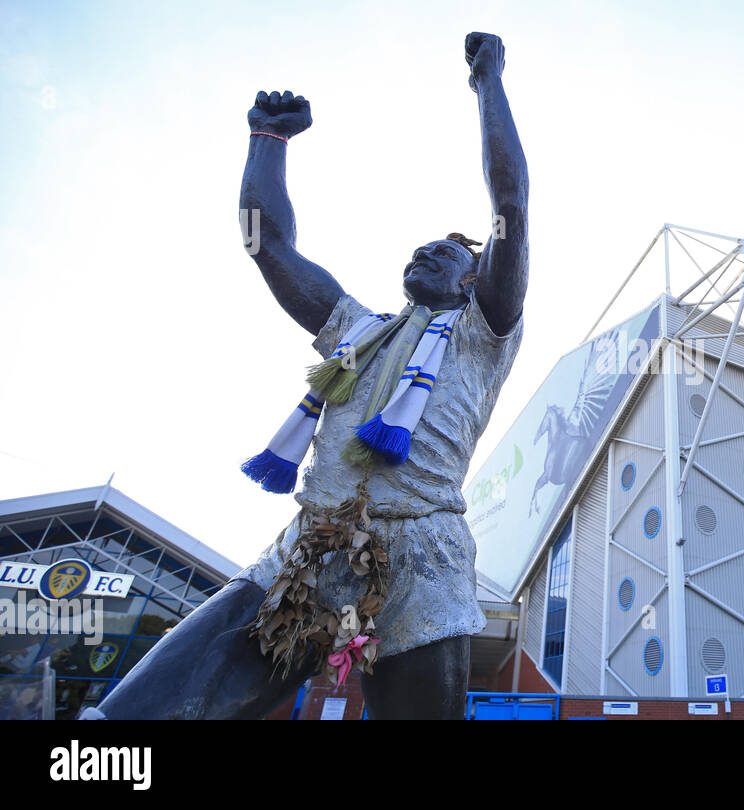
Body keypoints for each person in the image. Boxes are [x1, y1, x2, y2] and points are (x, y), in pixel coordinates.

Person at [89, 32, 527, 720]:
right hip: (310, 549)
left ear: (474, 282)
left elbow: (511, 205)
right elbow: (270, 248)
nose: (425, 251)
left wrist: (487, 85)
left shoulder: (483, 332)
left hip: (423, 562)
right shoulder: (354, 326)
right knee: (134, 720)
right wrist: (267, 140)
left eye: (445, 252)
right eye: (420, 246)